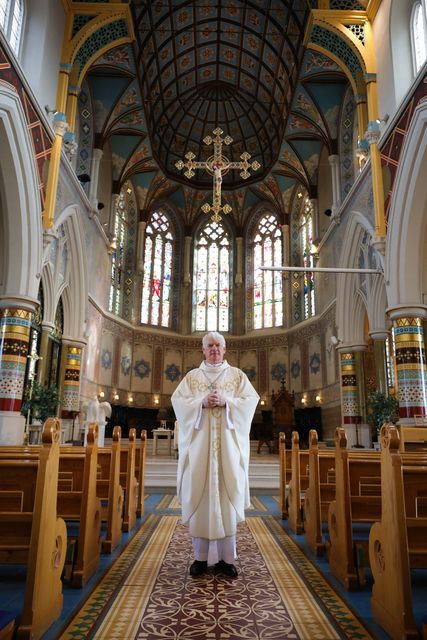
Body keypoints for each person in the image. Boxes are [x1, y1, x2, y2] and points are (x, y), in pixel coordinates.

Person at [171, 331, 259, 578]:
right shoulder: (192, 377)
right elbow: (178, 401)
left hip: (228, 451)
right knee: (201, 497)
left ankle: (227, 558)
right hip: (200, 451)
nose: (214, 349)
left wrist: (227, 401)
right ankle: (200, 558)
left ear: (225, 348)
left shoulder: (237, 376)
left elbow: (251, 400)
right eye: (209, 345)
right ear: (203, 349)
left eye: (218, 345)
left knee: (225, 498)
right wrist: (200, 402)